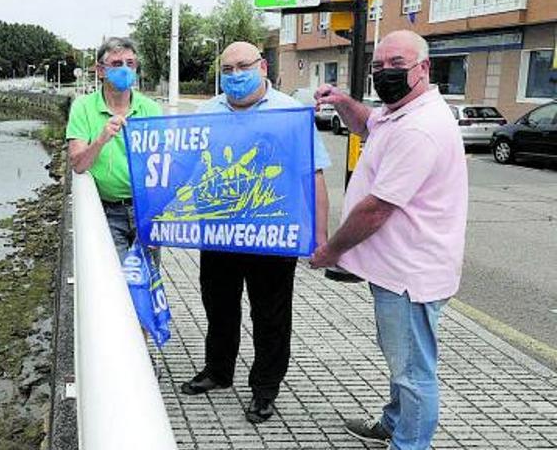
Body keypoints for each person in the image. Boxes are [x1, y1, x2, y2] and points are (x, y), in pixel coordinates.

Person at [310, 30, 468, 450]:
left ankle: (409, 444)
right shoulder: (400, 112)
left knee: (413, 370)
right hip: (400, 270)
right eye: (378, 66)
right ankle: (394, 423)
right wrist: (343, 102)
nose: (385, 74)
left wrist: (332, 250)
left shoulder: (420, 128)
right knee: (402, 361)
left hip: (411, 276)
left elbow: (376, 208)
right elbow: (367, 124)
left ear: (423, 68)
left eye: (396, 65)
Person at [180, 41, 332, 424]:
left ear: (262, 67)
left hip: (272, 235)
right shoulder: (207, 112)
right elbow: (188, 169)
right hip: (219, 233)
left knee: (271, 315)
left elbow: (311, 176)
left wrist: (319, 236)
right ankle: (218, 370)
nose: (234, 75)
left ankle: (265, 389)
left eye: (242, 66)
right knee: (219, 306)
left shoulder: (290, 113)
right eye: (227, 69)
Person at [66, 37, 162, 259]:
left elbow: (163, 163)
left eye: (131, 64)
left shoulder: (151, 108)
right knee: (115, 276)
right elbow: (77, 164)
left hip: (144, 210)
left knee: (147, 280)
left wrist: (157, 214)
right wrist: (101, 139)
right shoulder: (83, 107)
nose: (126, 70)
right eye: (117, 64)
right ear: (101, 71)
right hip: (106, 211)